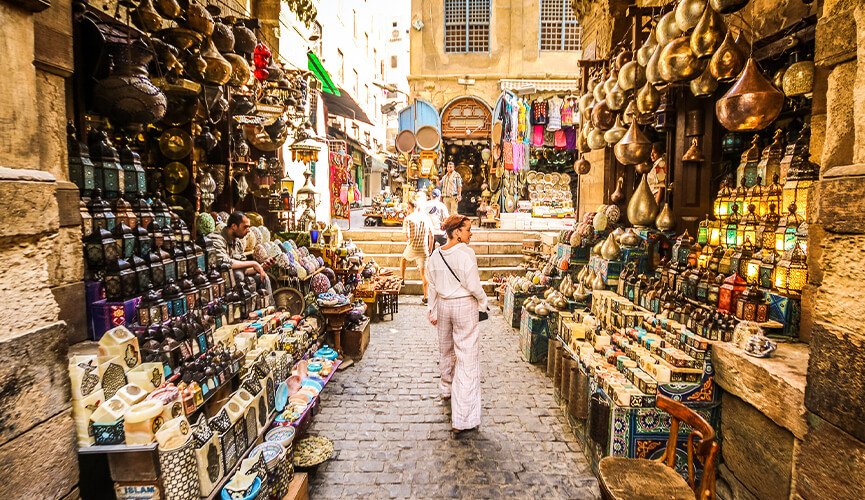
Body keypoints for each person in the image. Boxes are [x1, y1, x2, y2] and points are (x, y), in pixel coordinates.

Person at [426, 214, 489, 435]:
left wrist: (431, 308)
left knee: (446, 350)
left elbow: (431, 285)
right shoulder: (466, 253)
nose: (471, 233)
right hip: (464, 306)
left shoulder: (435, 255)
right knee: (467, 357)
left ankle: (446, 388)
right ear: (456, 232)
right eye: (468, 229)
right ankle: (462, 418)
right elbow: (473, 284)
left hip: (443, 306)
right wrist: (483, 301)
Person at [209, 211, 273, 304]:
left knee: (263, 277)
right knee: (238, 275)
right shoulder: (217, 239)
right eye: (245, 227)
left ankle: (270, 307)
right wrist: (254, 263)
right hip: (218, 281)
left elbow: (244, 270)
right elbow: (223, 262)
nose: (248, 230)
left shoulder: (238, 242)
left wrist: (261, 267)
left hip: (236, 280)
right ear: (234, 226)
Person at [400, 197, 434, 303]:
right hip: (423, 249)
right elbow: (432, 235)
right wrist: (429, 248)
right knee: (424, 273)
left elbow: (407, 236)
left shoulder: (408, 219)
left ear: (410, 207)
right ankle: (426, 296)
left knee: (403, 259)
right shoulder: (426, 218)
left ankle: (402, 279)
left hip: (412, 247)